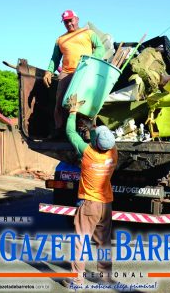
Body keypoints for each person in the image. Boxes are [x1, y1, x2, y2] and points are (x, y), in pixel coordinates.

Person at [63, 94, 118, 287]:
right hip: (106, 204)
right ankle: (106, 276)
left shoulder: (87, 154)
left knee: (81, 241)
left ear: (95, 143)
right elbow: (102, 138)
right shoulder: (113, 153)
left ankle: (77, 279)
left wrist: (73, 111)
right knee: (103, 242)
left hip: (89, 204)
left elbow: (70, 132)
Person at [43, 10, 105, 138]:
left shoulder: (88, 33)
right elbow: (55, 58)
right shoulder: (60, 39)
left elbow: (100, 47)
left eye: (70, 20)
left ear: (77, 19)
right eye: (66, 22)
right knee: (60, 102)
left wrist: (92, 59)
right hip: (66, 73)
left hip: (84, 71)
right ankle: (59, 130)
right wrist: (49, 71)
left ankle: (86, 130)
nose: (69, 24)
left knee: (85, 101)